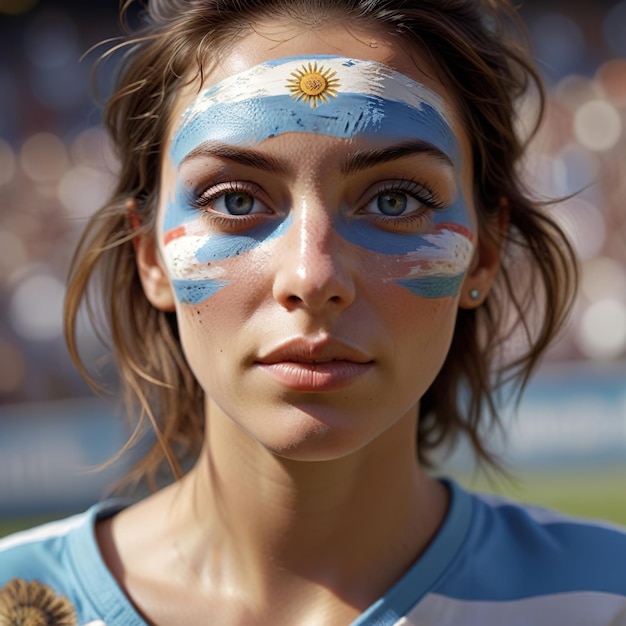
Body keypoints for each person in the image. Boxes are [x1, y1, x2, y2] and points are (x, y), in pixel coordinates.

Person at [1, 0, 625, 624]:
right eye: (236, 198)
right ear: (150, 257)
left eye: (394, 199)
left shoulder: (604, 597)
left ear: (484, 254)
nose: (312, 274)